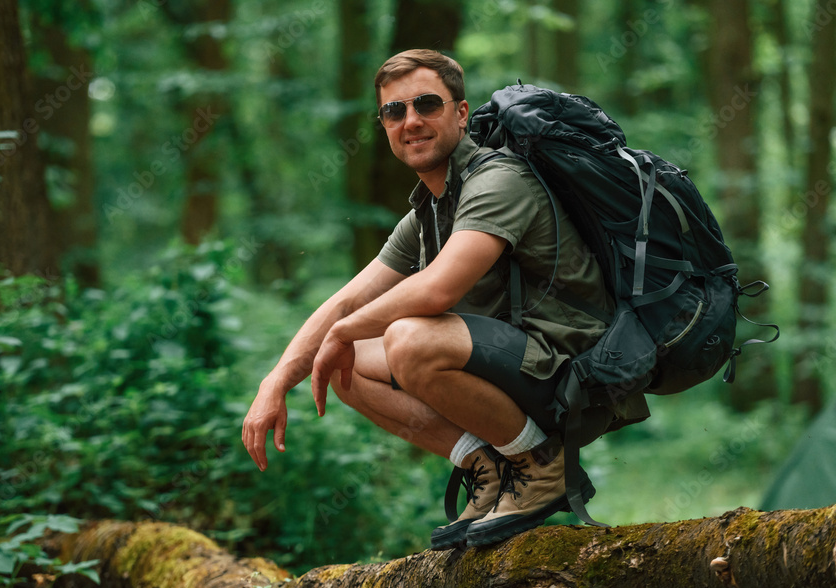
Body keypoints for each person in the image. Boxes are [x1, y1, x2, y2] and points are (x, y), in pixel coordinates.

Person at [241, 49, 648, 549]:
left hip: (573, 373)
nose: (410, 121)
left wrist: (344, 331)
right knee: (342, 367)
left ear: (460, 112)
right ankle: (493, 472)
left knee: (407, 338)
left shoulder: (499, 180)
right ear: (384, 126)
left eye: (427, 104)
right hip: (516, 369)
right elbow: (345, 302)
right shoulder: (429, 212)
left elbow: (438, 290)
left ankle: (540, 467)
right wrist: (276, 381)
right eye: (395, 111)